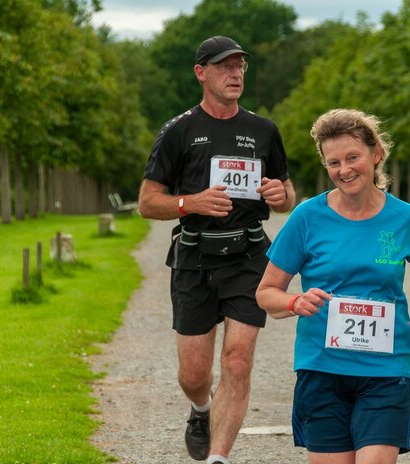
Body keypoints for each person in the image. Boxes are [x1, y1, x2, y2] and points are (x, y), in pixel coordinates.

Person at [256, 108, 410, 464]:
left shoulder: (406, 219)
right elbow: (266, 292)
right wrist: (295, 302)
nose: (344, 170)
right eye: (333, 162)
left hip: (385, 370)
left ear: (376, 153)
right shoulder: (307, 217)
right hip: (322, 369)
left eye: (353, 157)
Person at [138, 35, 296, 463]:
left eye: (241, 66)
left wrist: (280, 196)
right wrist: (190, 203)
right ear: (200, 73)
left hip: (247, 256)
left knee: (238, 360)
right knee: (193, 375)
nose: (236, 73)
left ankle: (218, 458)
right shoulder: (179, 131)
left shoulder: (263, 130)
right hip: (194, 257)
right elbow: (147, 202)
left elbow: (288, 193)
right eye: (225, 66)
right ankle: (201, 408)